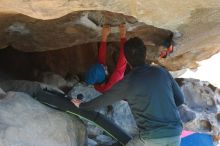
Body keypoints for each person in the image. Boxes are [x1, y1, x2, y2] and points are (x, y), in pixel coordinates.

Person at [73, 37, 184, 146]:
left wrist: (81, 105)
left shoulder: (127, 82)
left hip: (151, 137)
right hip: (175, 135)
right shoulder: (162, 72)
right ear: (145, 53)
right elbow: (180, 100)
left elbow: (102, 101)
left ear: (126, 59)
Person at [84, 24, 127, 93]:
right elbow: (123, 58)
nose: (104, 66)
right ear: (105, 75)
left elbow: (101, 59)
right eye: (104, 68)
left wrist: (104, 36)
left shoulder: (96, 81)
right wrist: (122, 36)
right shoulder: (116, 79)